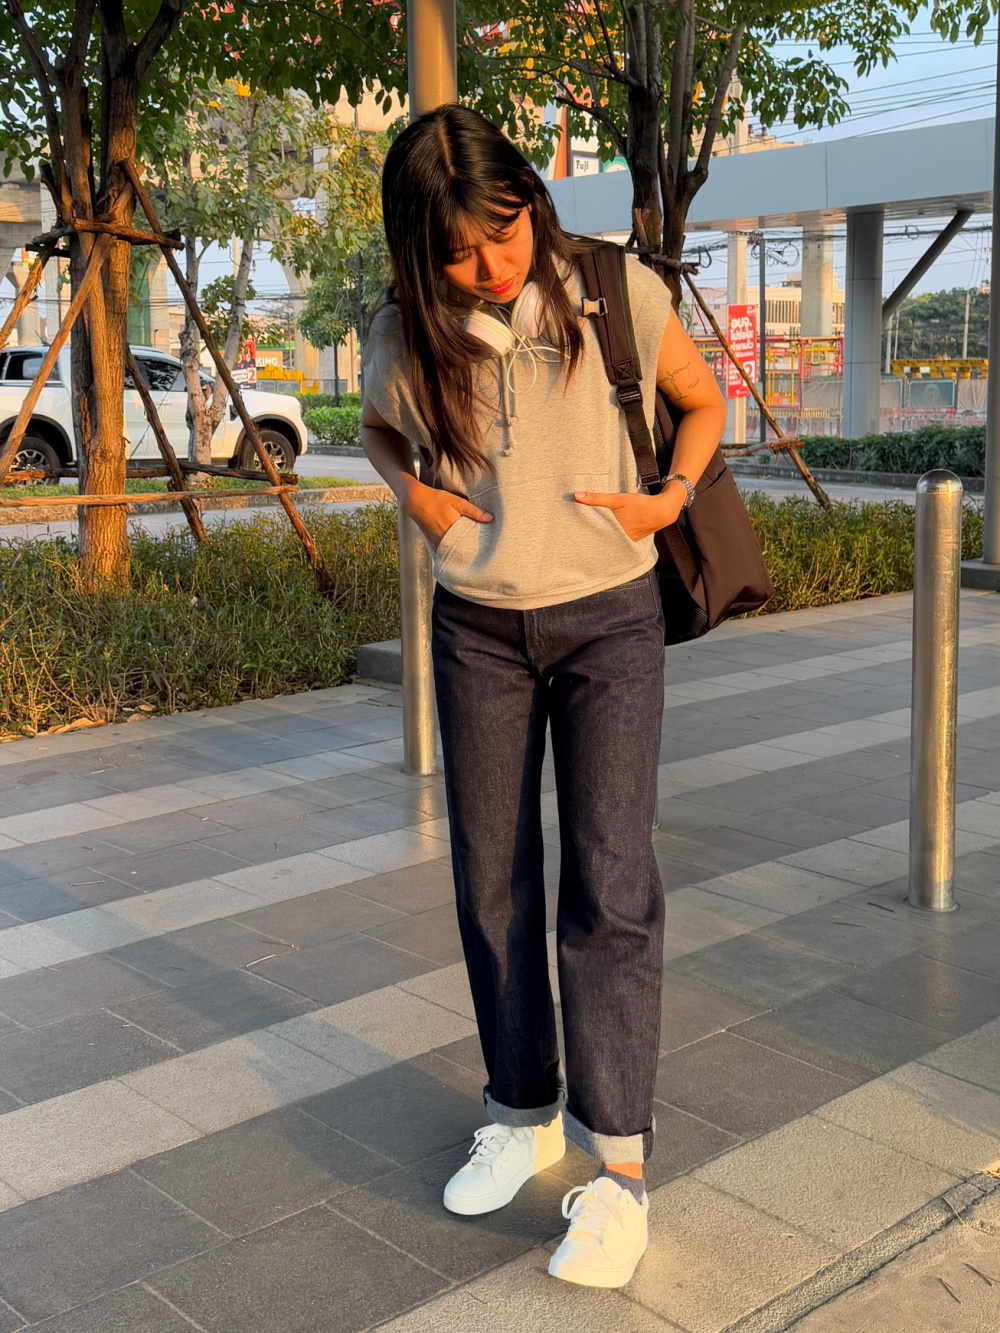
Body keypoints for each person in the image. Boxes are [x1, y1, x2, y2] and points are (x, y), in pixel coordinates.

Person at [360, 105, 726, 1290]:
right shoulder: (406, 329)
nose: (489, 266)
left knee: (610, 882)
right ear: (421, 252)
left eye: (503, 233)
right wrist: (414, 494)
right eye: (458, 252)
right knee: (492, 880)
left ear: (531, 202)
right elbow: (377, 431)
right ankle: (521, 1111)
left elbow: (702, 401)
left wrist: (668, 498)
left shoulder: (610, 293)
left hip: (610, 618)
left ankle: (618, 1171)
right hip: (477, 626)